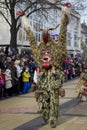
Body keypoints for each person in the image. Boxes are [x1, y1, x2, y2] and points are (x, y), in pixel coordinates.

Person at [21, 2, 71, 128]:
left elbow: (63, 35)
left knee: (54, 104)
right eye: (44, 52)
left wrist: (65, 13)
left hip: (53, 89)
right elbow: (32, 40)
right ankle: (45, 116)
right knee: (43, 104)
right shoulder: (40, 65)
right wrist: (24, 19)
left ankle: (53, 119)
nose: (45, 54)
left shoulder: (57, 62)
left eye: (48, 52)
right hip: (43, 88)